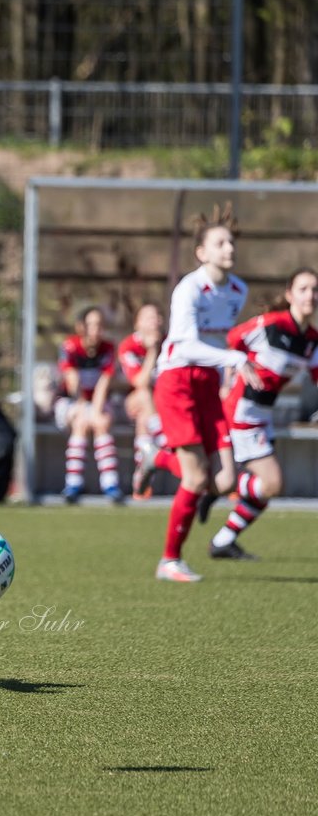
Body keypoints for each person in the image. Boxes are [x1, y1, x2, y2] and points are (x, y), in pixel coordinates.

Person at [150, 202, 261, 583]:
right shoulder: (189, 290)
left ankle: (159, 457)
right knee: (196, 480)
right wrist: (233, 357)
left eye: (230, 242)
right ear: (202, 253)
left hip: (208, 384)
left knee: (225, 481)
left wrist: (227, 367)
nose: (229, 249)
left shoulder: (237, 290)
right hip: (177, 381)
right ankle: (169, 561)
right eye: (220, 243)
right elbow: (184, 346)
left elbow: (215, 341)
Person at [209, 267, 318, 559]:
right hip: (241, 410)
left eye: (315, 290)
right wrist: (229, 375)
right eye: (304, 289)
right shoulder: (271, 325)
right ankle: (212, 486)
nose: (311, 295)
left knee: (266, 490)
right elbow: (228, 342)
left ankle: (223, 540)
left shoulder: (311, 340)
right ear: (289, 294)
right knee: (270, 483)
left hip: (263, 416)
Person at [53, 306, 125, 504]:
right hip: (71, 401)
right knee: (81, 422)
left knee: (101, 422)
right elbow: (72, 381)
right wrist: (84, 407)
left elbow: (104, 383)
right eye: (91, 324)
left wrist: (94, 409)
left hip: (97, 402)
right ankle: (73, 484)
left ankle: (110, 484)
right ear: (81, 326)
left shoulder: (109, 348)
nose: (96, 329)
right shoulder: (70, 346)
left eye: (100, 325)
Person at [117, 302, 167, 498]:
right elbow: (140, 382)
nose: (155, 321)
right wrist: (153, 351)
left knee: (144, 417)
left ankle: (141, 481)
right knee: (145, 395)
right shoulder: (128, 346)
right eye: (149, 317)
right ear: (137, 323)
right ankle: (163, 438)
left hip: (158, 406)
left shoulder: (170, 343)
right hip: (131, 402)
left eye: (157, 316)